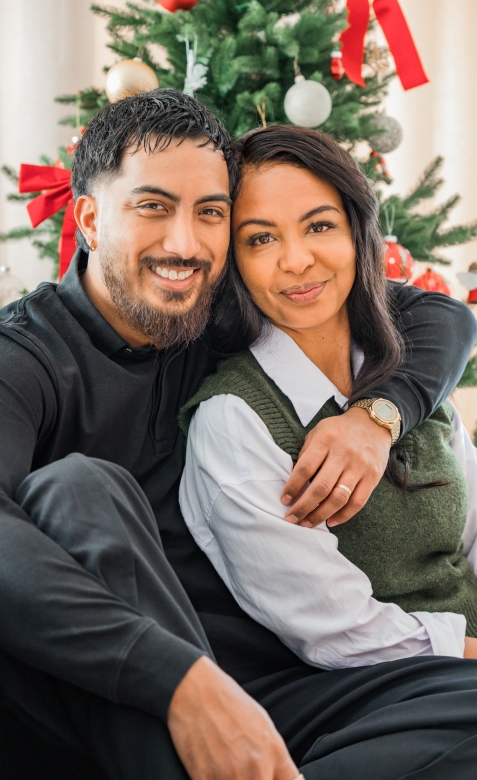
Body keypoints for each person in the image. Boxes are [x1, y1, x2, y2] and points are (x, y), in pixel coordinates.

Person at [0, 91, 475, 780]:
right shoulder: (17, 359)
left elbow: (436, 317)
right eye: (152, 206)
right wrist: (182, 680)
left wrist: (375, 417)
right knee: (76, 489)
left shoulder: (216, 314)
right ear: (87, 218)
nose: (185, 243)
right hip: (113, 690)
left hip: (277, 688)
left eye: (211, 214)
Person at [180, 123, 477, 679]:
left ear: (358, 233)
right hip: (388, 693)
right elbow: (341, 634)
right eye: (260, 238)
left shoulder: (408, 373)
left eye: (319, 225)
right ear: (232, 261)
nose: (297, 260)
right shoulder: (233, 419)